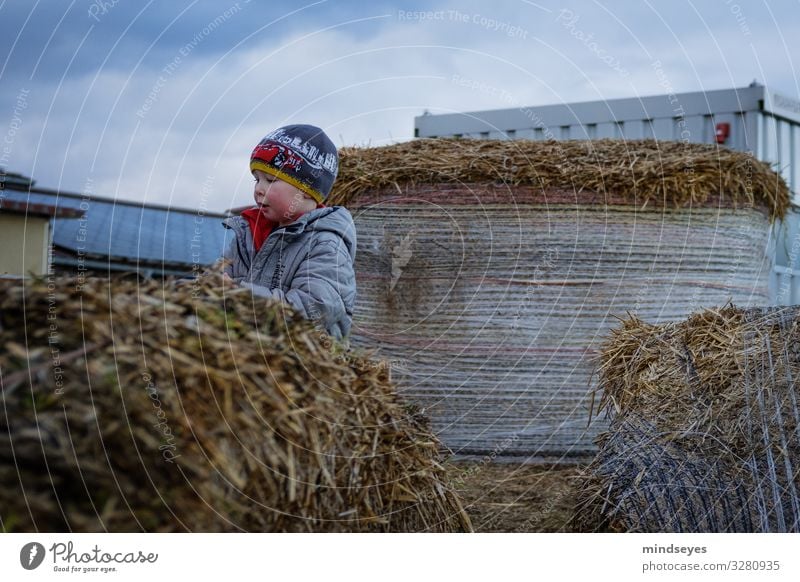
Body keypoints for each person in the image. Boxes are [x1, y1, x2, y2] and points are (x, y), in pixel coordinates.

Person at [221, 124, 356, 341]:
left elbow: (315, 309)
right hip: (247, 351)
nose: (258, 189)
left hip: (302, 361)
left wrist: (238, 294)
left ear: (305, 190)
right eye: (257, 179)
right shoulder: (247, 234)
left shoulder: (326, 245)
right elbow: (218, 280)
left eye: (271, 180)